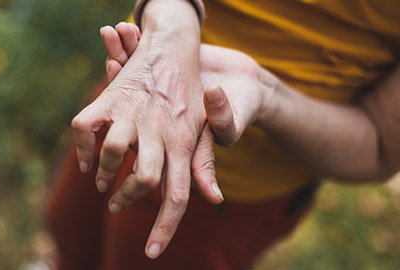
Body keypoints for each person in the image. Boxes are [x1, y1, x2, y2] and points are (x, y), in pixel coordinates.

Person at [46, 1, 400, 269]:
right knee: (67, 229)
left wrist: (266, 93)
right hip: (135, 89)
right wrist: (172, 18)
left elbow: (382, 145)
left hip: (227, 191)